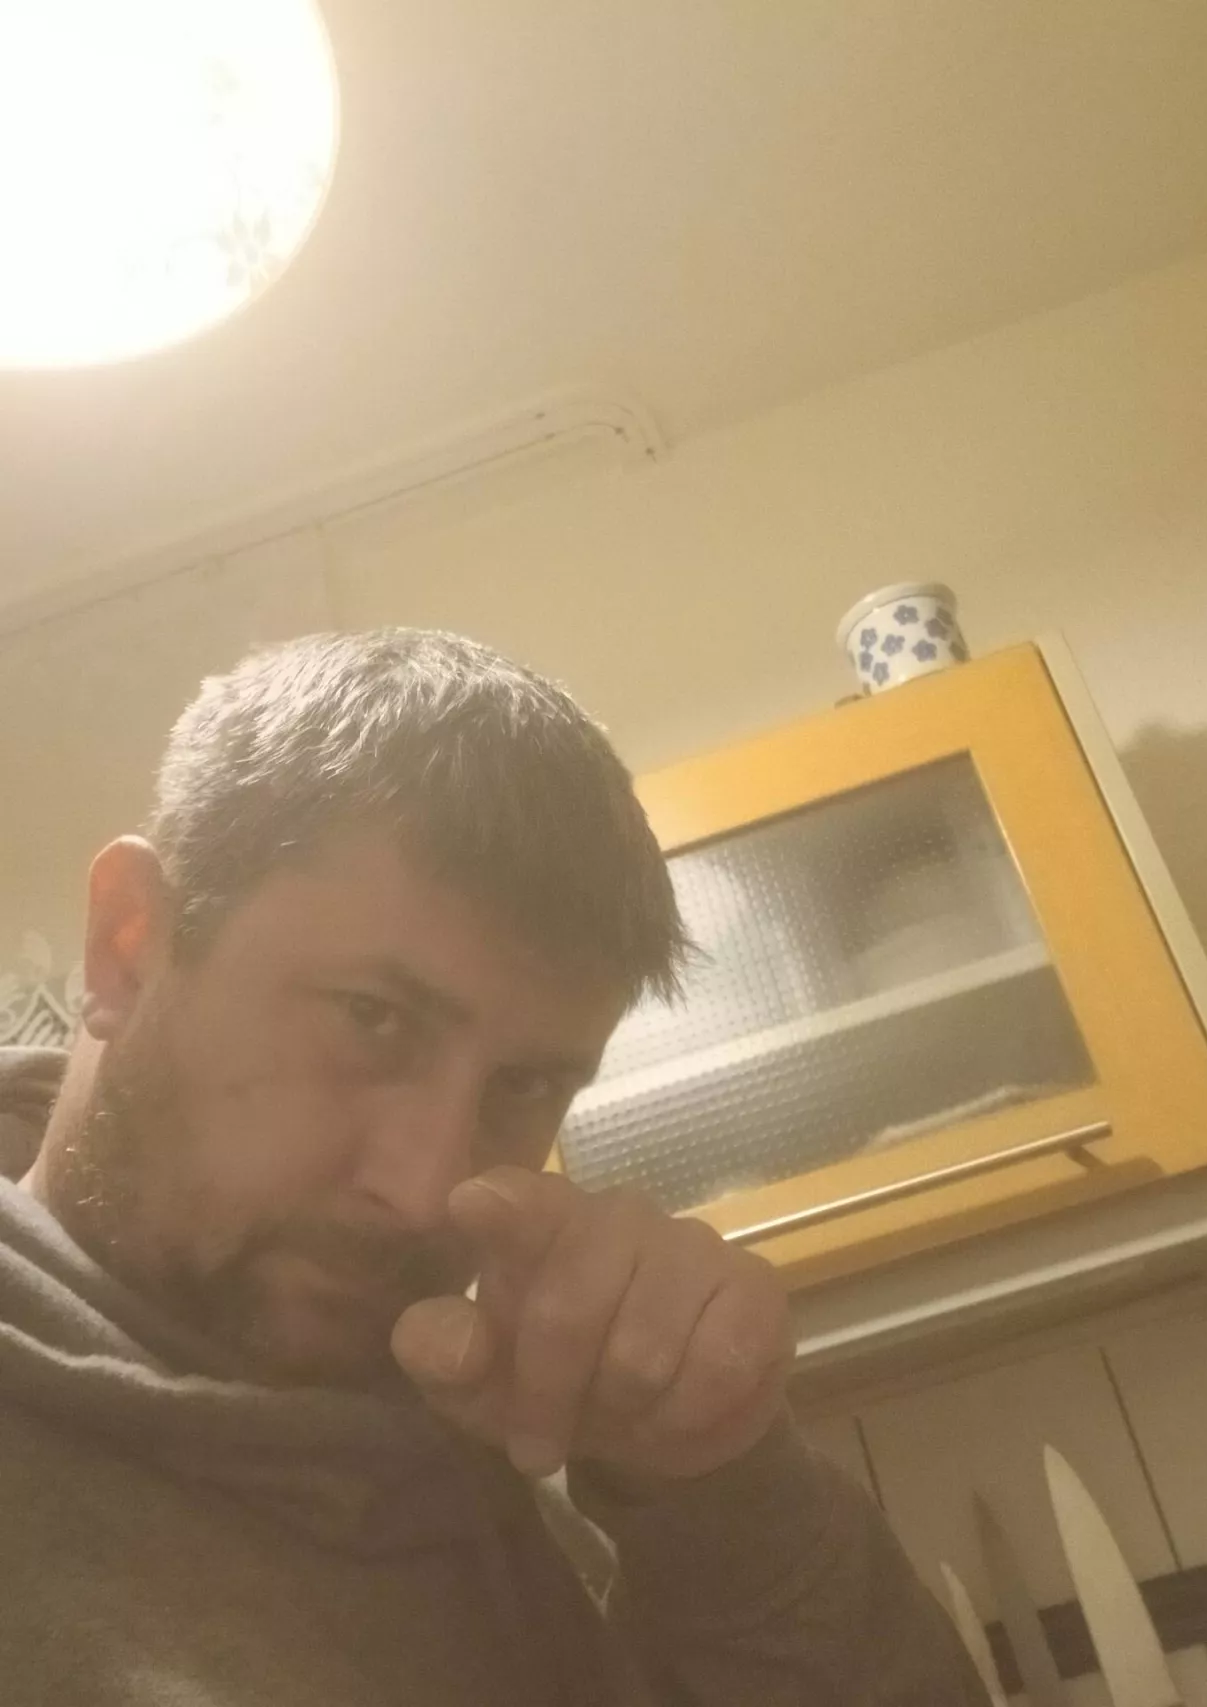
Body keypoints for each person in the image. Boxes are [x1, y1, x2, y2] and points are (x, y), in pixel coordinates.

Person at [0, 628, 987, 1706]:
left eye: (524, 1087)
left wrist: (729, 1491)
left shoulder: (515, 1463)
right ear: (128, 942)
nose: (427, 1190)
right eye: (370, 1018)